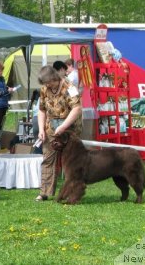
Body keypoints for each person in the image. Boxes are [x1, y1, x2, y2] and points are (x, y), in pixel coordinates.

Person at [35, 65, 82, 201]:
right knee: (47, 159)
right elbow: (41, 110)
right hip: (51, 127)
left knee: (71, 161)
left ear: (54, 77)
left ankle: (72, 193)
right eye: (45, 83)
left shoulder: (69, 87)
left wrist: (63, 127)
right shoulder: (44, 89)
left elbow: (76, 108)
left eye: (48, 82)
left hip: (69, 128)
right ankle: (44, 192)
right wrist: (41, 129)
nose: (47, 85)